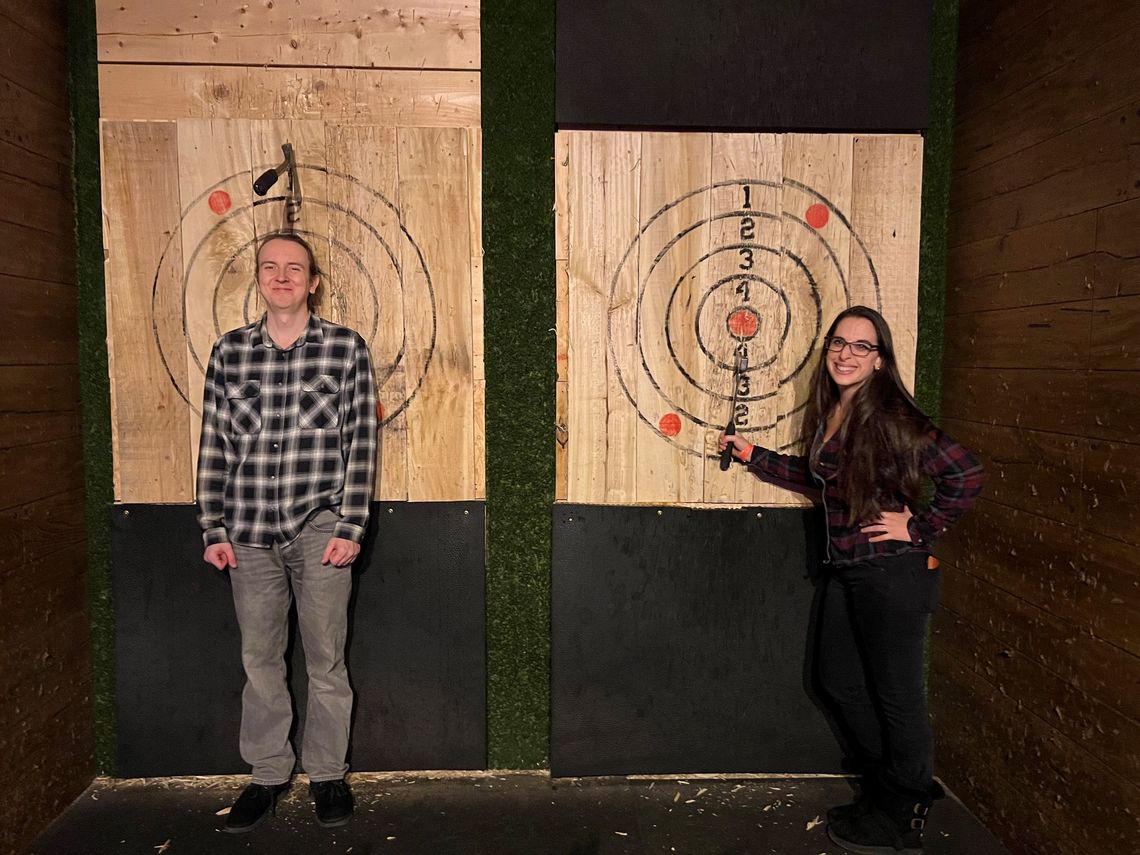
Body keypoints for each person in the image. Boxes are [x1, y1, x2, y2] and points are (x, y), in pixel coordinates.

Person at [718, 306, 984, 855]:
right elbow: (824, 482)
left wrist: (923, 526)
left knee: (898, 698)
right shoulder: (835, 414)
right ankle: (888, 790)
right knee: (835, 680)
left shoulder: (887, 417)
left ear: (880, 361)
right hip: (852, 569)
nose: (846, 353)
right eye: (840, 343)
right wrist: (754, 456)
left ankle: (903, 811)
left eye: (862, 346)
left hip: (893, 574)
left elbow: (966, 471)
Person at [196, 232, 378, 833]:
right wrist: (210, 525)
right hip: (246, 531)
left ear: (313, 281)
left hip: (320, 526)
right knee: (260, 659)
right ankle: (269, 775)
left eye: (294, 268)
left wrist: (351, 525)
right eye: (270, 267)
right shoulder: (229, 353)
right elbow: (213, 446)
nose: (282, 276)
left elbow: (362, 445)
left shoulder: (346, 350)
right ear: (258, 278)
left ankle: (327, 774)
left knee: (327, 658)